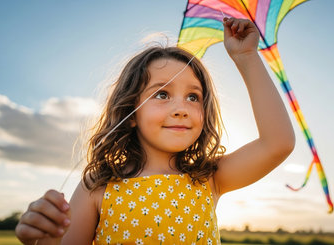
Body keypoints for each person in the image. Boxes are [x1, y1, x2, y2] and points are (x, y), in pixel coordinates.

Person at [15, 17, 295, 245]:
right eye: (162, 94)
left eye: (193, 97)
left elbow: (278, 143)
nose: (181, 108)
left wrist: (246, 56)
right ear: (130, 112)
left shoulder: (209, 178)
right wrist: (48, 240)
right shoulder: (98, 186)